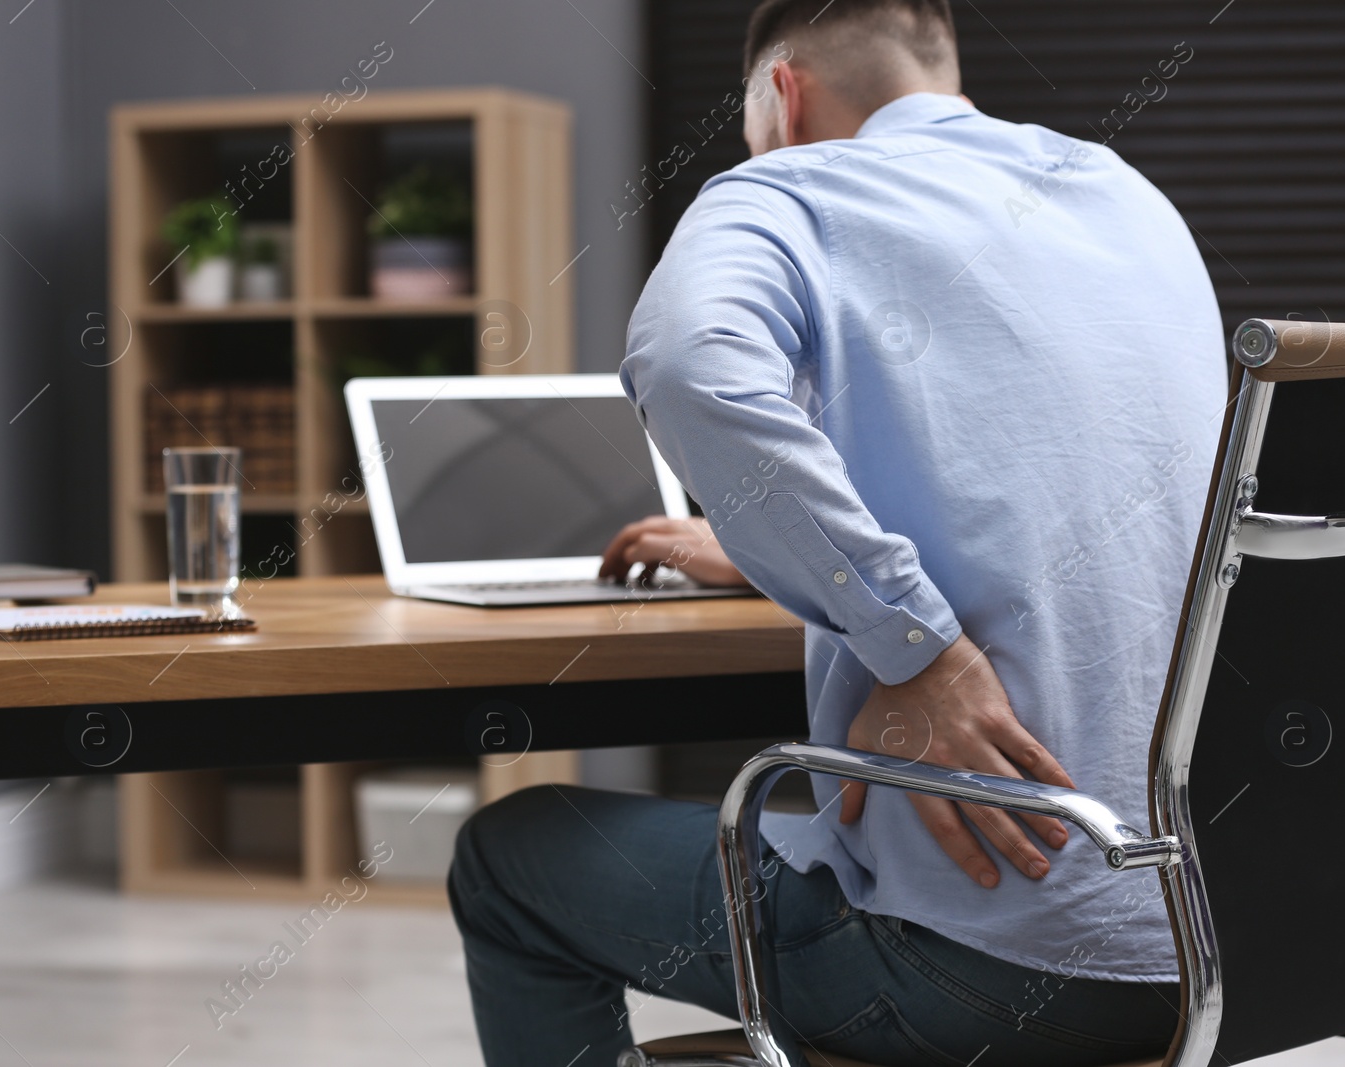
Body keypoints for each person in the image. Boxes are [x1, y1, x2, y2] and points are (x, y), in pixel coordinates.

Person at [449, 1, 1227, 1064]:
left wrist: (916, 645)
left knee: (513, 855)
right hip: (1220, 946)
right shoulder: (1121, 196)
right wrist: (780, 547)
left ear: (782, 93)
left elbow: (688, 363)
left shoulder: (785, 188)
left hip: (987, 960)